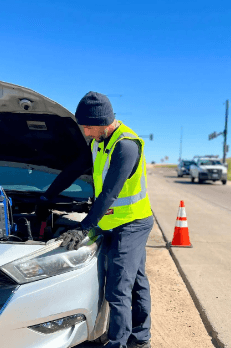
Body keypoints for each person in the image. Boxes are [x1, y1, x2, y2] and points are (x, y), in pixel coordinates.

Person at [40, 92, 154, 348]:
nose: (86, 133)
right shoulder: (98, 142)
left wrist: (83, 228)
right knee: (135, 281)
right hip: (113, 223)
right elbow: (73, 169)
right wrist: (47, 196)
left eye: (88, 127)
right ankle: (142, 338)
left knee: (118, 287)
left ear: (103, 122)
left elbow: (110, 193)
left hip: (132, 224)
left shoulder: (126, 146)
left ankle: (119, 343)